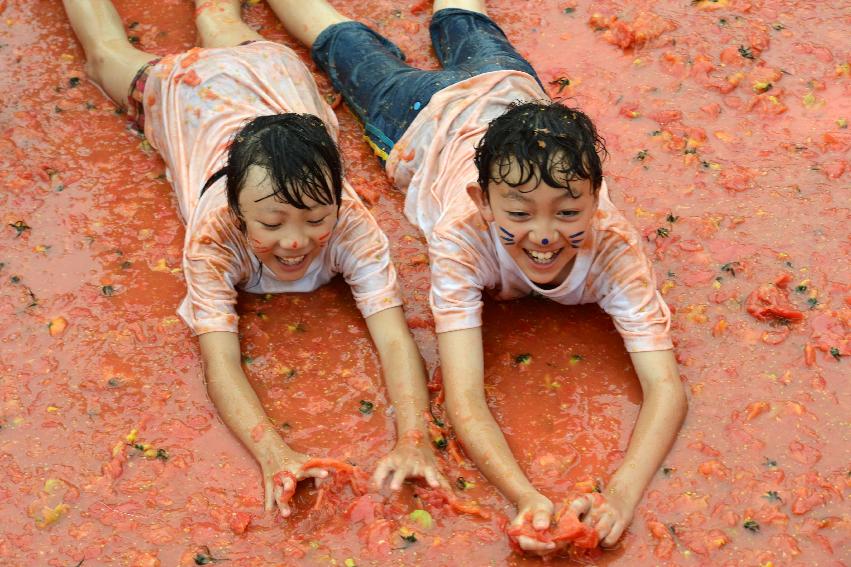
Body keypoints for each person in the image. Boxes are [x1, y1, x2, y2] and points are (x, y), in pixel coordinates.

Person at [260, 0, 688, 554]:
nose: (543, 235)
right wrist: (524, 496)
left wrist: (623, 497)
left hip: (506, 85)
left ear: (595, 201)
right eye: (517, 214)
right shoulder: (461, 238)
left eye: (566, 212)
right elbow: (462, 397)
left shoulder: (613, 246)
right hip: (416, 117)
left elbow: (666, 389)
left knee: (461, 17)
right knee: (335, 38)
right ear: (481, 203)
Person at [61, 0, 447, 518]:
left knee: (218, 20)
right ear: (238, 212)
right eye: (271, 224)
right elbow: (219, 362)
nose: (295, 242)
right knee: (105, 54)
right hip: (189, 91)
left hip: (273, 74)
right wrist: (273, 453)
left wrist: (415, 437)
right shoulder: (213, 237)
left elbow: (395, 335)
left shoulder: (354, 225)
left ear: (336, 196)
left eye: (315, 220)